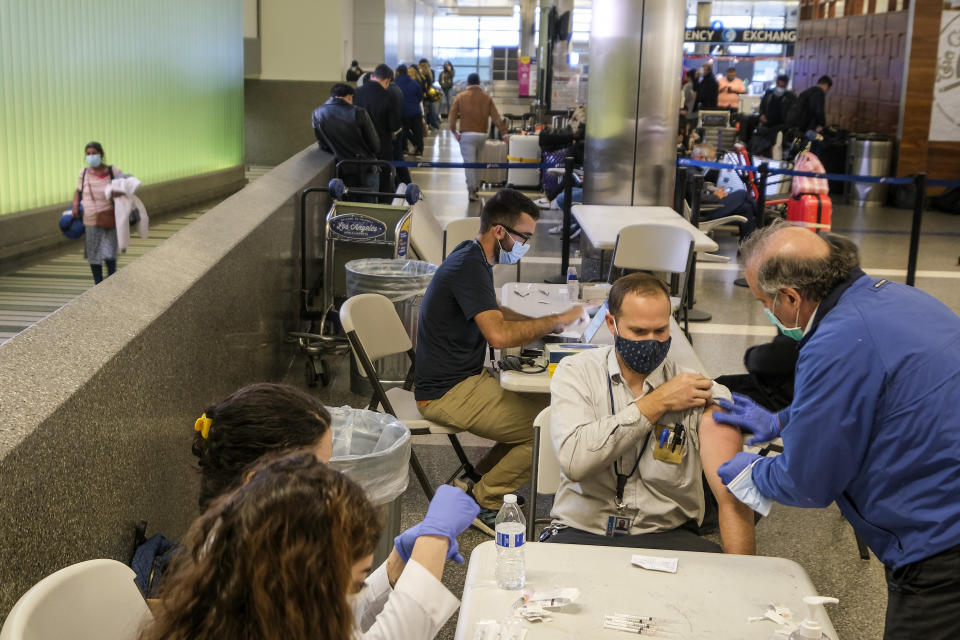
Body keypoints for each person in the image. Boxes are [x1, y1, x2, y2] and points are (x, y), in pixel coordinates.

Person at [714, 221, 960, 640]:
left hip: (939, 544)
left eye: (763, 302)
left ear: (790, 297)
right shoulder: (899, 299)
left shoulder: (834, 341)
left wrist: (751, 472)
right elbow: (870, 400)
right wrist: (780, 421)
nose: (768, 312)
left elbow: (808, 483)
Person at [187, 383, 479, 639]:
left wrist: (393, 568)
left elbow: (337, 621)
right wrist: (434, 539)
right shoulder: (245, 565)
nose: (328, 480)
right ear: (258, 482)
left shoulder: (260, 535)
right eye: (317, 469)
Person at [140, 451, 478, 640]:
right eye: (357, 579)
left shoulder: (242, 602)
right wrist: (434, 539)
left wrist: (393, 569)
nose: (356, 591)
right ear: (311, 581)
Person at [543, 273, 755, 553]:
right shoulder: (575, 373)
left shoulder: (699, 391)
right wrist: (658, 402)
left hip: (667, 536)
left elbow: (732, 495)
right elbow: (575, 462)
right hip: (583, 530)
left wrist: (742, 584)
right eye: (639, 332)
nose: (651, 341)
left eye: (660, 331)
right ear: (612, 324)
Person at [415, 190, 584, 531]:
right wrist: (552, 322)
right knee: (548, 427)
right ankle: (485, 499)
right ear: (499, 231)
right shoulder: (468, 266)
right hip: (447, 391)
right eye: (524, 237)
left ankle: (474, 479)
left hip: (459, 378)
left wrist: (544, 324)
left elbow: (494, 311)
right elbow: (499, 336)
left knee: (541, 409)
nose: (527, 244)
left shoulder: (472, 255)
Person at [311, 83, 381, 195]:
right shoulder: (359, 112)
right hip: (366, 168)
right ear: (349, 96)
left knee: (347, 208)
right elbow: (375, 145)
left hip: (342, 170)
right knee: (368, 207)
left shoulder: (317, 113)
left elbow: (323, 144)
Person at [449, 73, 508, 201]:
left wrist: (454, 132)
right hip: (482, 135)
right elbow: (496, 118)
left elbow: (452, 117)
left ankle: (472, 190)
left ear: (468, 83)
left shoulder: (460, 97)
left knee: (469, 163)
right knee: (478, 163)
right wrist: (504, 133)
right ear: (479, 82)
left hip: (466, 135)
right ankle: (476, 186)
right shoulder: (487, 98)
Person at [71, 142, 123, 284]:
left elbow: (123, 192)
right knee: (93, 252)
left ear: (101, 154)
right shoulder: (83, 173)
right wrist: (75, 205)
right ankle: (98, 284)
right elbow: (79, 190)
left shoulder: (113, 171)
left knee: (109, 250)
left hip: (108, 215)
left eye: (94, 153)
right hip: (90, 217)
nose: (91, 156)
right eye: (88, 154)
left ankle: (112, 280)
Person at [689, 144, 757, 239]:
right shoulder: (692, 174)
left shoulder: (691, 169)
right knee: (742, 194)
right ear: (701, 157)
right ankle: (761, 216)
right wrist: (716, 196)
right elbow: (699, 198)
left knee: (746, 208)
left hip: (706, 207)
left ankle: (748, 243)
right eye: (710, 160)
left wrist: (713, 193)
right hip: (705, 212)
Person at [355, 64, 403, 196]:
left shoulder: (356, 93)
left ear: (372, 76)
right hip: (382, 148)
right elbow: (394, 126)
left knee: (362, 187)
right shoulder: (389, 97)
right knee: (383, 187)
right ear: (387, 80)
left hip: (360, 149)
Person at [751, 74, 796, 157]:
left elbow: (791, 113)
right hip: (766, 126)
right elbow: (762, 106)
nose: (781, 85)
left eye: (783, 83)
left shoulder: (791, 97)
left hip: (781, 127)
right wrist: (761, 115)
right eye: (780, 82)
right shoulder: (769, 93)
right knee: (764, 148)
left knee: (777, 149)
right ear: (777, 82)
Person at [395, 64, 424, 157]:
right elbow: (420, 96)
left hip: (402, 112)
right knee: (418, 131)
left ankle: (404, 149)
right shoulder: (414, 82)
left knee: (404, 132)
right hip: (415, 111)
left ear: (398, 72)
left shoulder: (395, 83)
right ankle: (419, 150)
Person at [418, 59, 441, 131]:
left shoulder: (421, 74)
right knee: (429, 110)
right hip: (429, 95)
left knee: (425, 111)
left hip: (424, 95)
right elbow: (430, 83)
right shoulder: (430, 73)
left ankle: (426, 127)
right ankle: (433, 124)